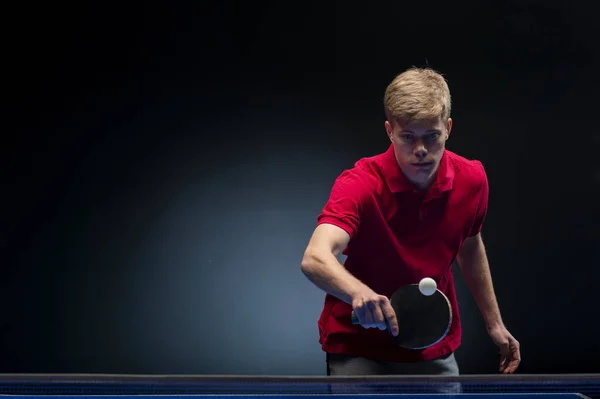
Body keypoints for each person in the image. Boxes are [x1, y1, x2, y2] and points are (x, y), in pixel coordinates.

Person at [300, 67, 521, 377]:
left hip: (432, 344)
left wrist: (494, 323)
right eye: (408, 137)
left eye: (431, 136)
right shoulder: (360, 184)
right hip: (359, 347)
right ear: (390, 131)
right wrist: (357, 292)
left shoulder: (472, 180)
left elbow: (469, 244)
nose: (420, 150)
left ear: (448, 128)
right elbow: (315, 257)